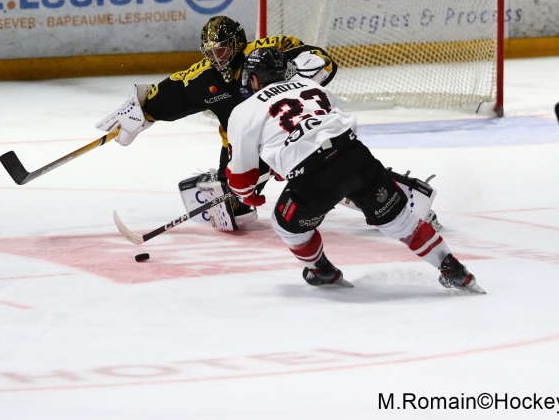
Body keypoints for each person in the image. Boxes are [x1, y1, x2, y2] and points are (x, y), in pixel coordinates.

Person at [225, 47, 484, 292]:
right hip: (356, 155)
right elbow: (333, 125)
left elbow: (240, 178)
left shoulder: (244, 110)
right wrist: (290, 161)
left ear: (255, 78)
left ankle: (321, 270)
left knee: (286, 225)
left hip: (314, 178)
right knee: (401, 221)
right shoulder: (311, 86)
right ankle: (453, 269)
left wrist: (249, 196)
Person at [96, 16, 337, 230]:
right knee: (231, 211)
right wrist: (143, 110)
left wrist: (306, 69)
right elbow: (175, 90)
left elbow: (316, 56)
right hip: (240, 144)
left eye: (221, 51)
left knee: (331, 168)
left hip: (286, 131)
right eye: (210, 53)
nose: (216, 59)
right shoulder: (205, 76)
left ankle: (342, 186)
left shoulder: (265, 53)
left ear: (237, 43)